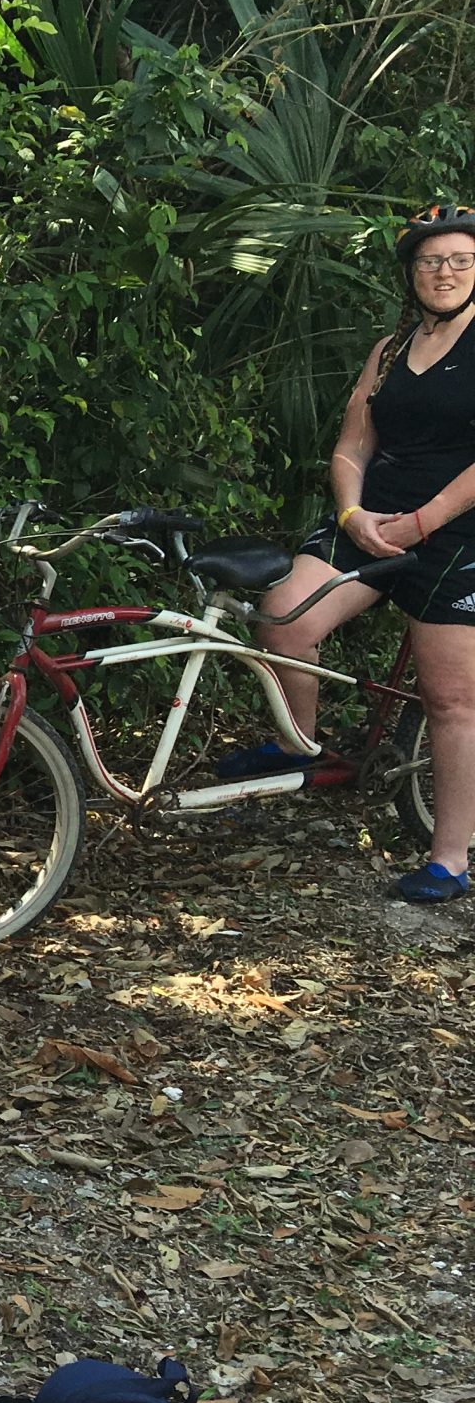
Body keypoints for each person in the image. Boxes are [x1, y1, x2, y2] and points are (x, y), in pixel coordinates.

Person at [224, 204, 475, 901]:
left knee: (451, 700)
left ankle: (449, 859)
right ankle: (299, 744)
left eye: (459, 259)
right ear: (411, 272)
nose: (444, 271)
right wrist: (353, 512)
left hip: (456, 533)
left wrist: (423, 521)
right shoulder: (390, 349)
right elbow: (352, 445)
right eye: (430, 260)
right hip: (373, 520)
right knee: (282, 617)